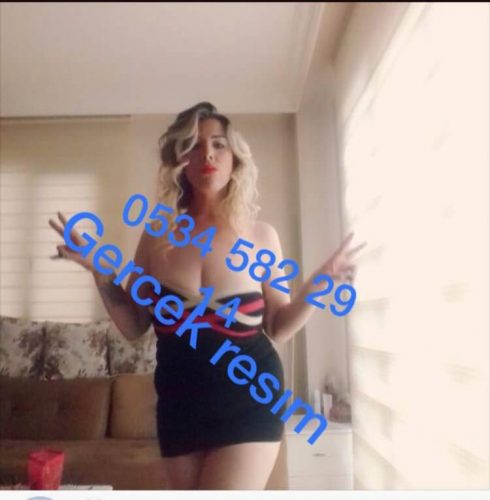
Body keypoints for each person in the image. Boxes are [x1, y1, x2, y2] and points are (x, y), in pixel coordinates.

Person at [48, 102, 366, 490]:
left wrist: (321, 283)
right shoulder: (157, 235)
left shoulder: (260, 237)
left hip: (250, 397)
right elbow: (134, 324)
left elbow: (279, 326)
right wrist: (100, 271)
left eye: (218, 144)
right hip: (178, 403)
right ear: (180, 160)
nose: (208, 155)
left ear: (236, 159)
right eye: (194, 146)